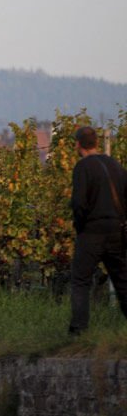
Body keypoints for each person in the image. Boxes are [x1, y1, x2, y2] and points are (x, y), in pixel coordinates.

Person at [68, 126, 127, 334]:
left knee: (81, 280)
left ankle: (79, 328)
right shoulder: (115, 165)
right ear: (96, 143)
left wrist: (79, 225)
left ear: (78, 144)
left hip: (91, 231)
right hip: (116, 231)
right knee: (121, 279)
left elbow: (79, 203)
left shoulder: (83, 168)